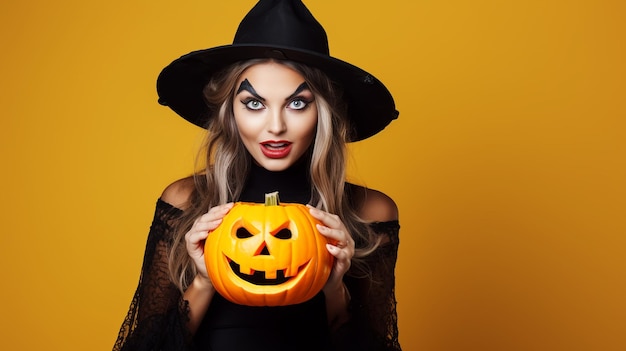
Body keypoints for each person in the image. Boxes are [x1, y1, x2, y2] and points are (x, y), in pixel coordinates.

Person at [113, 1, 401, 350]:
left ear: (323, 111)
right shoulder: (184, 201)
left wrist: (334, 287)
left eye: (297, 103)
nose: (275, 127)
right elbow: (146, 347)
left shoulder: (370, 212)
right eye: (254, 103)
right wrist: (204, 280)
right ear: (230, 111)